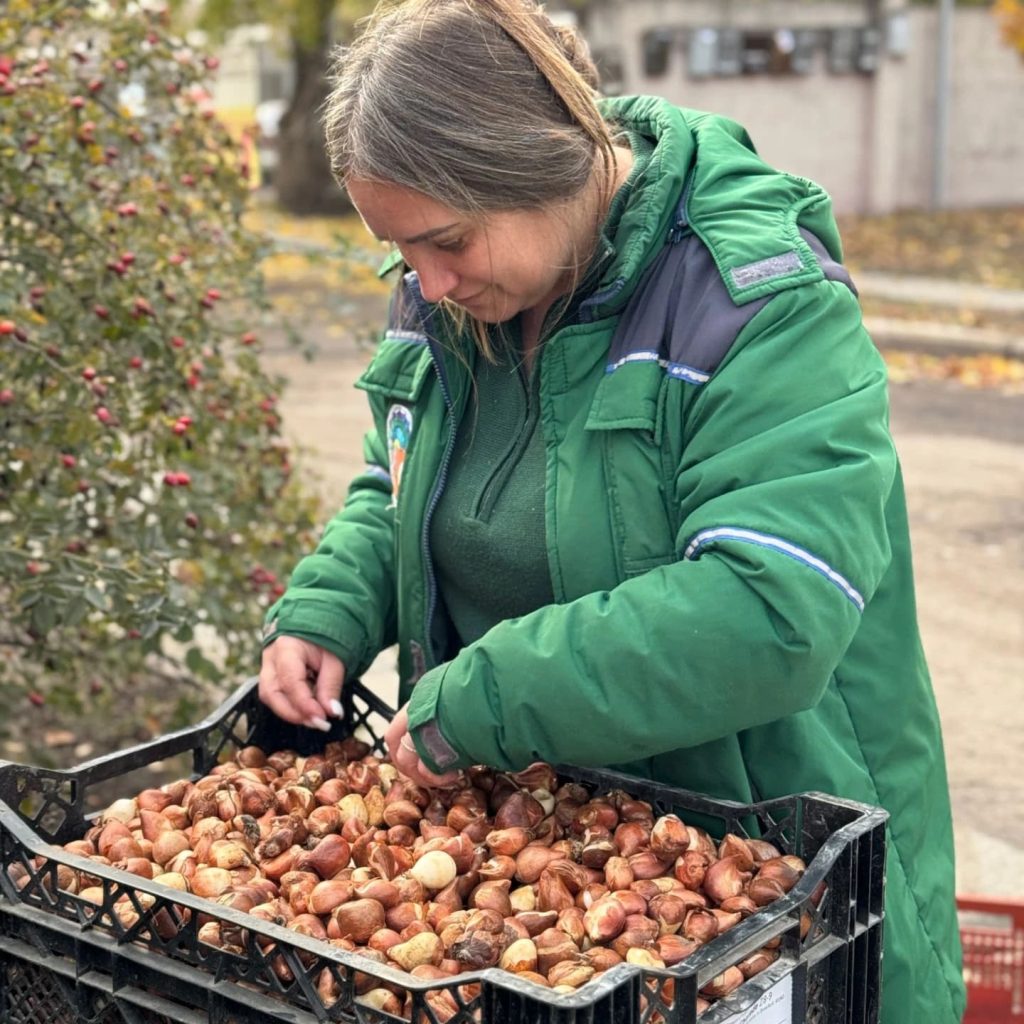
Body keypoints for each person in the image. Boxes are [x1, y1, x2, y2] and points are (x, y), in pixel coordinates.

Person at [256, 1, 964, 1019]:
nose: (425, 280)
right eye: (402, 250)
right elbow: (400, 477)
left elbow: (771, 609)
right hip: (546, 861)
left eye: (445, 241)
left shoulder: (758, 299)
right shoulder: (455, 287)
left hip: (768, 881)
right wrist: (327, 605)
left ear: (540, 164)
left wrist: (486, 699)